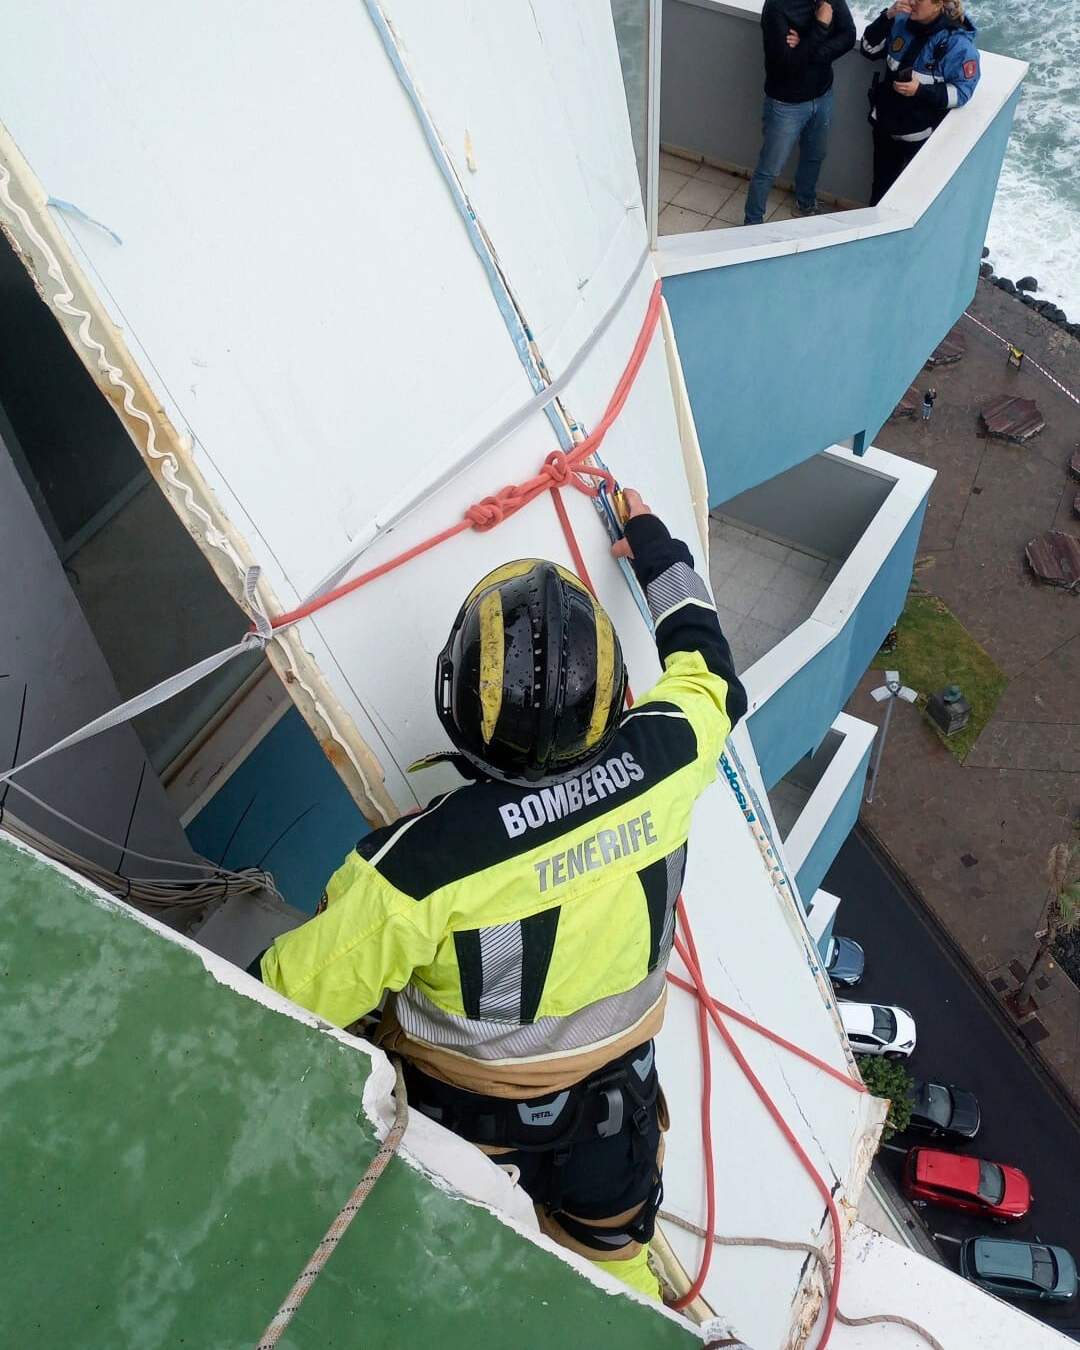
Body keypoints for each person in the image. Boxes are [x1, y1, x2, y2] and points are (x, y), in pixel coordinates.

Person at [256, 489, 747, 1300]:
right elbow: (710, 667)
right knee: (622, 1288)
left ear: (459, 706)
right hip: (614, 1125)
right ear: (617, 695)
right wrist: (657, 551)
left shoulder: (414, 868)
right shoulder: (670, 753)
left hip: (466, 1137)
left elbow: (276, 999)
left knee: (450, 1295)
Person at [743, 0, 856, 226]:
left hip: (823, 96)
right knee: (769, 169)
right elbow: (789, 65)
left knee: (815, 155)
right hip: (786, 104)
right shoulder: (777, 7)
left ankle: (806, 204)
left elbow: (848, 36)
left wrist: (808, 45)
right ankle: (752, 223)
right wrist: (821, 25)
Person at [861, 0, 980, 205]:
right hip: (886, 126)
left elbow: (961, 93)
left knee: (908, 201)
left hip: (920, 138)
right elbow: (868, 48)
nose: (911, 2)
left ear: (938, 5)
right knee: (880, 189)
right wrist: (886, 16)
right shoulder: (899, 22)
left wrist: (920, 91)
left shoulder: (956, 44)